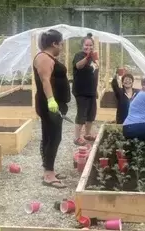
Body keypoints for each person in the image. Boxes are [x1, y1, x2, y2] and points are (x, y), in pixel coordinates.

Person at [33, 29, 71, 189]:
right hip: (50, 105)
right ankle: (48, 174)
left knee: (50, 135)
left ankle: (49, 169)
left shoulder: (48, 57)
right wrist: (51, 101)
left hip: (54, 104)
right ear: (54, 43)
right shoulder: (43, 58)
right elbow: (45, 80)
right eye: (60, 43)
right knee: (53, 137)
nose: (61, 47)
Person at [72, 33, 99, 146]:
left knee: (91, 114)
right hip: (81, 91)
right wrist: (87, 57)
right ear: (82, 45)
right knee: (82, 114)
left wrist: (95, 89)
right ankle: (77, 138)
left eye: (91, 45)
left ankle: (87, 134)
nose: (88, 47)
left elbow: (94, 74)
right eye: (86, 45)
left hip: (91, 91)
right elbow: (78, 66)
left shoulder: (94, 57)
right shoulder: (79, 55)